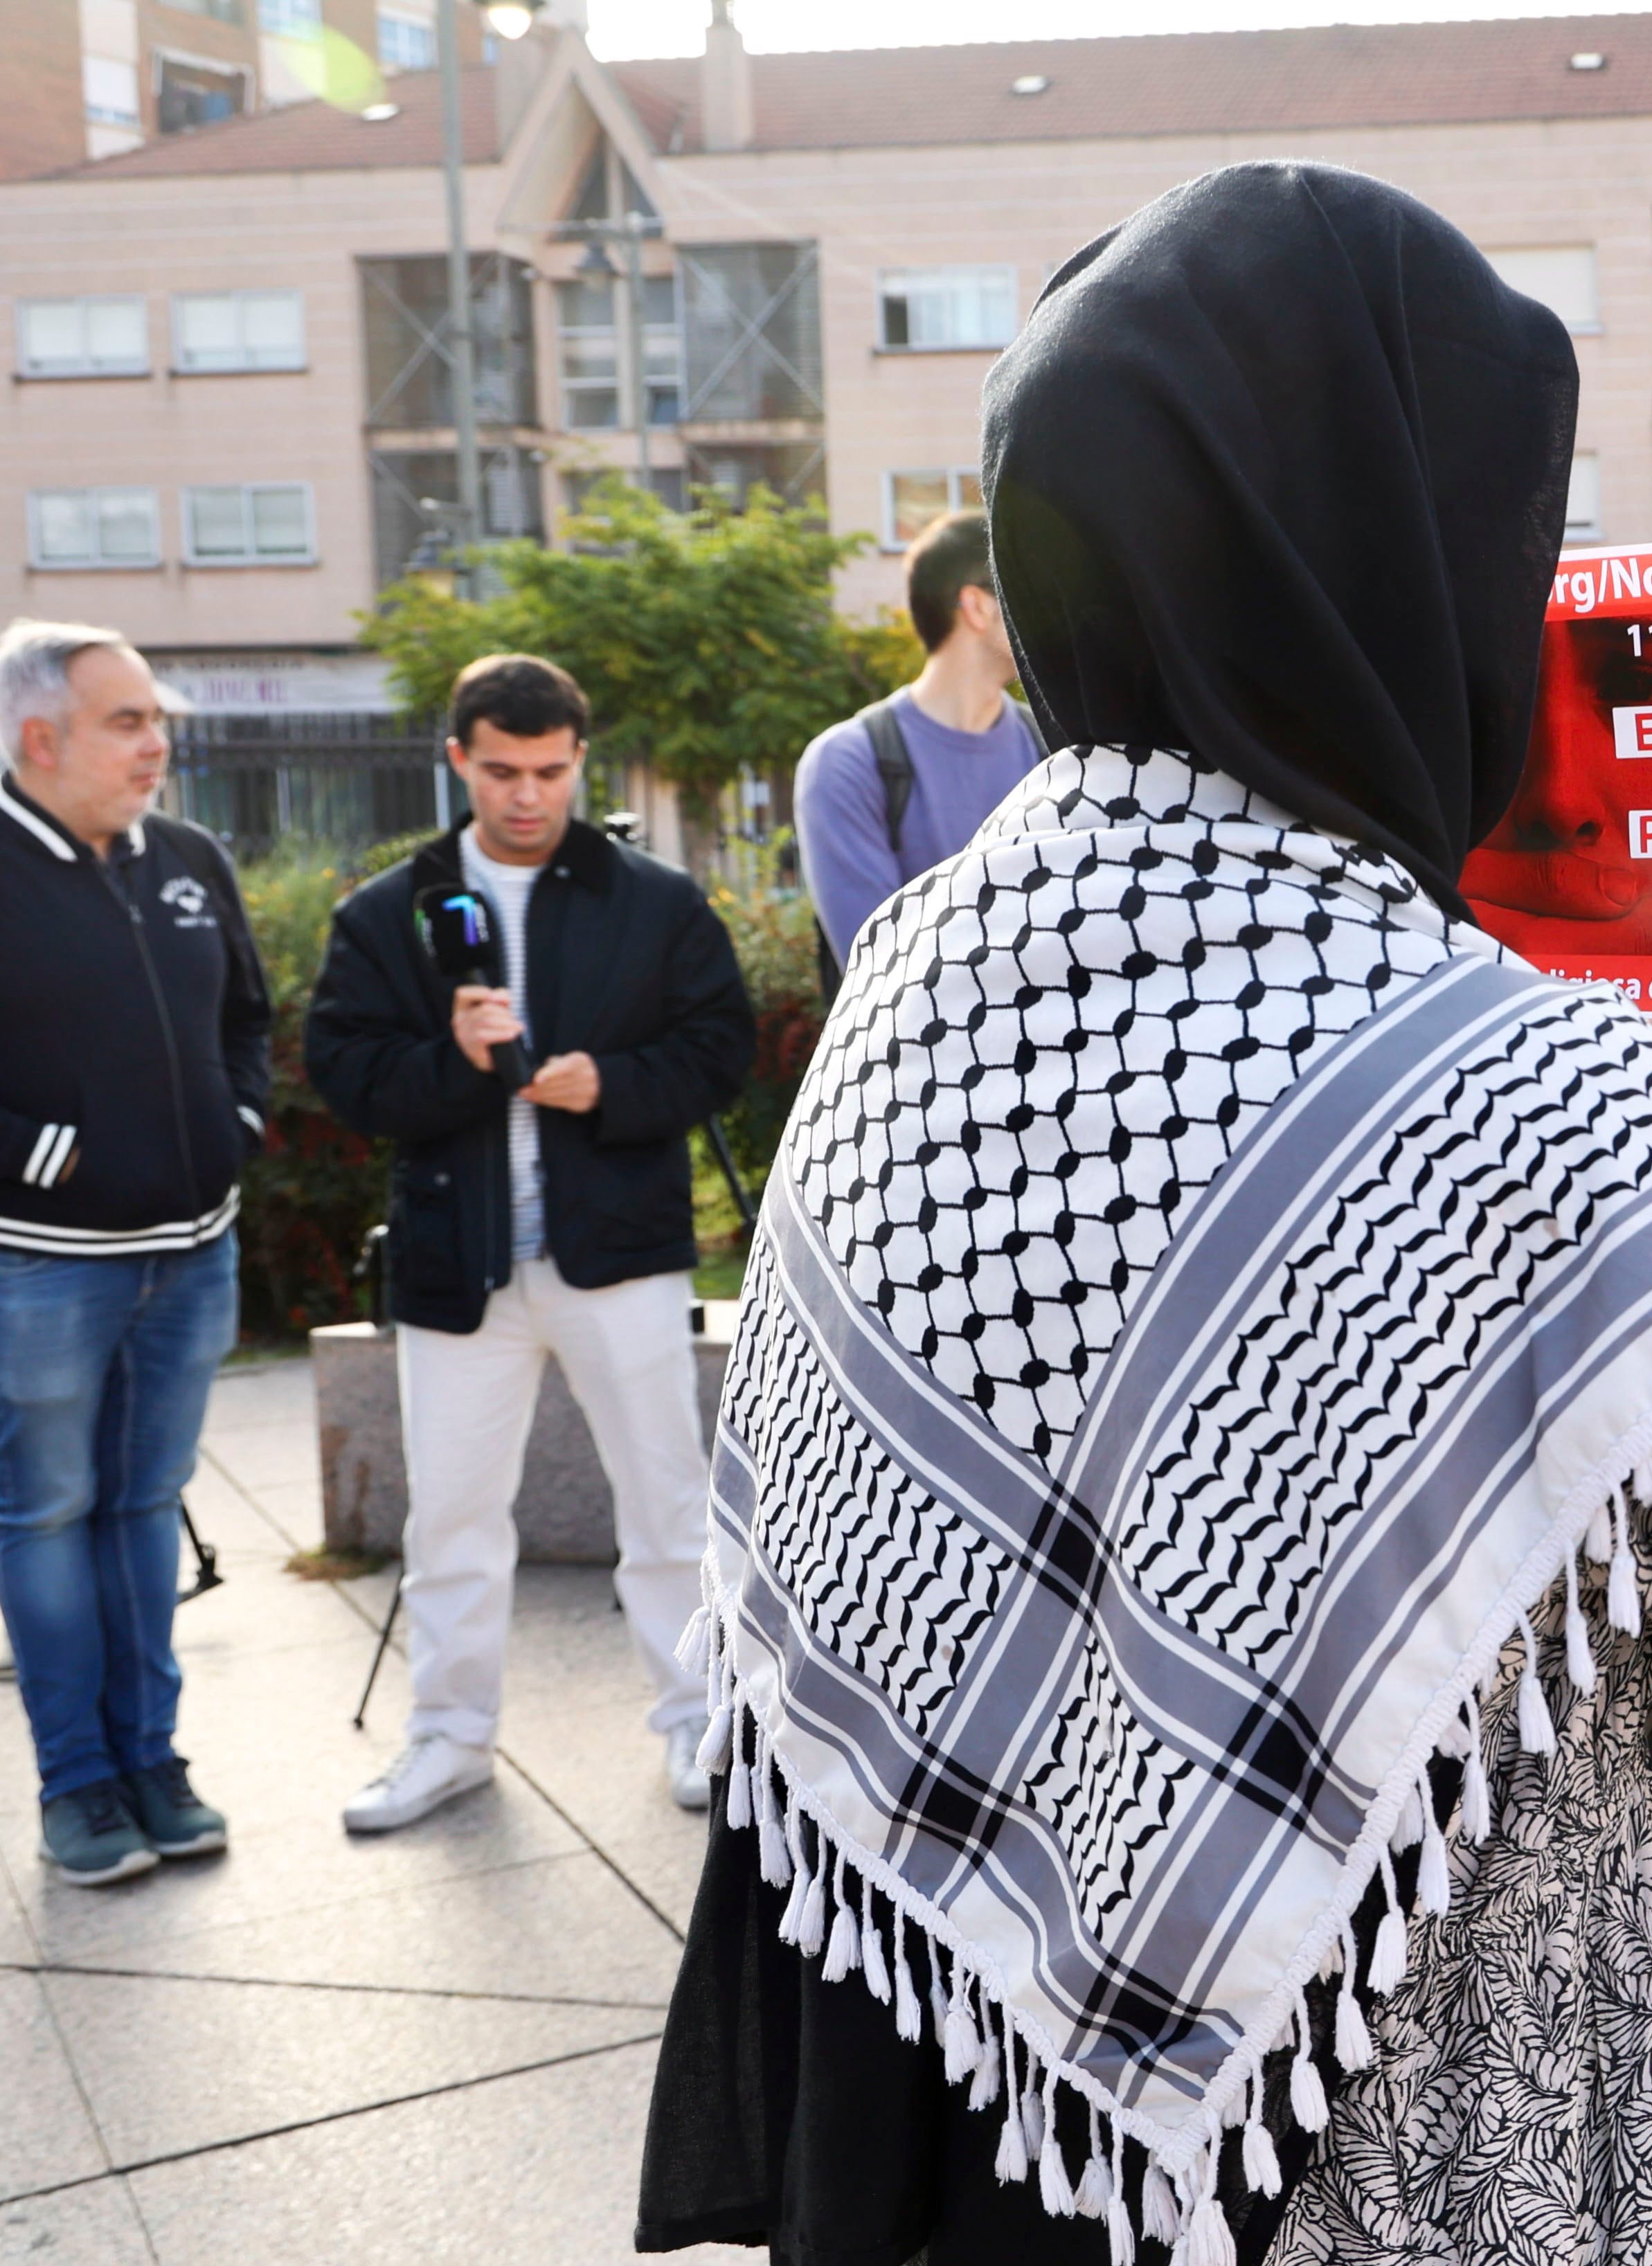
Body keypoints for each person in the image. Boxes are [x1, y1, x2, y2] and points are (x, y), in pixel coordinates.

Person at [636, 163, 1652, 2266]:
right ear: (1413, 564)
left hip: (981, 2124)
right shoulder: (1530, 1110)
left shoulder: (930, 959)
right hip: (1403, 2150)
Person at [307, 655, 755, 1834]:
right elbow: (346, 1077)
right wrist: (453, 1061)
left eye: (551, 771)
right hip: (460, 1267)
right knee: (450, 1516)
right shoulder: (387, 909)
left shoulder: (652, 897)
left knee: (666, 1503)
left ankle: (699, 1721)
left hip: (620, 1251)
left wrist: (610, 1080)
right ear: (457, 758)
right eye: (501, 770)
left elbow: (722, 1049)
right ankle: (449, 1739)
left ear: (578, 760)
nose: (526, 795)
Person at [0, 619, 265, 1889]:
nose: (157, 742)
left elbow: (250, 1019)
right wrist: (52, 1156)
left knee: (143, 1507)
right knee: (48, 1513)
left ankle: (153, 1760)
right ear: (37, 737)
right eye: (127, 721)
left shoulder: (192, 858)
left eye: (157, 716)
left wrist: (239, 1124)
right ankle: (81, 1784)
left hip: (191, 1258)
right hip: (45, 1267)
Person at [795, 509, 1047, 971]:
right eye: (1029, 591)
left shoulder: (1053, 748)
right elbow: (881, 970)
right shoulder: (849, 762)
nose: (1049, 612)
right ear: (978, 607)